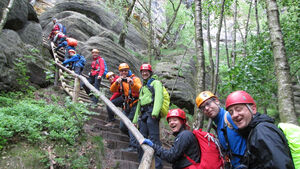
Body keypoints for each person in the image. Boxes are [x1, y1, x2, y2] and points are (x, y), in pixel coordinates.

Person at [225, 90, 295, 169]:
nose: (234, 115)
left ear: (253, 109)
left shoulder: (262, 131)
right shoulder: (252, 132)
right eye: (231, 112)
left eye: (238, 109)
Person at [195, 91, 246, 168]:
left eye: (208, 103)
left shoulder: (229, 117)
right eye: (203, 108)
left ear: (217, 101)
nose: (207, 108)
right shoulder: (218, 124)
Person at [133, 63, 164, 169]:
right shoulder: (143, 87)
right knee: (141, 140)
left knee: (154, 140)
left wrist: (155, 113)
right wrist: (135, 119)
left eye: (146, 71)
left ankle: (158, 165)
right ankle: (142, 163)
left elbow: (159, 97)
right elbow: (139, 104)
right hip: (143, 115)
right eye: (143, 71)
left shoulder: (156, 83)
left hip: (152, 114)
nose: (144, 73)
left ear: (150, 72)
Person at [110, 63, 142, 152]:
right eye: (122, 71)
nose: (124, 72)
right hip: (126, 105)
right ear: (119, 72)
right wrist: (116, 82)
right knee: (123, 126)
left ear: (128, 71)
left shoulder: (135, 79)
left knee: (131, 124)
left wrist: (132, 84)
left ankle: (134, 146)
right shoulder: (120, 81)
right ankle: (136, 140)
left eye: (125, 70)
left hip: (135, 104)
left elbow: (140, 89)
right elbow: (112, 90)